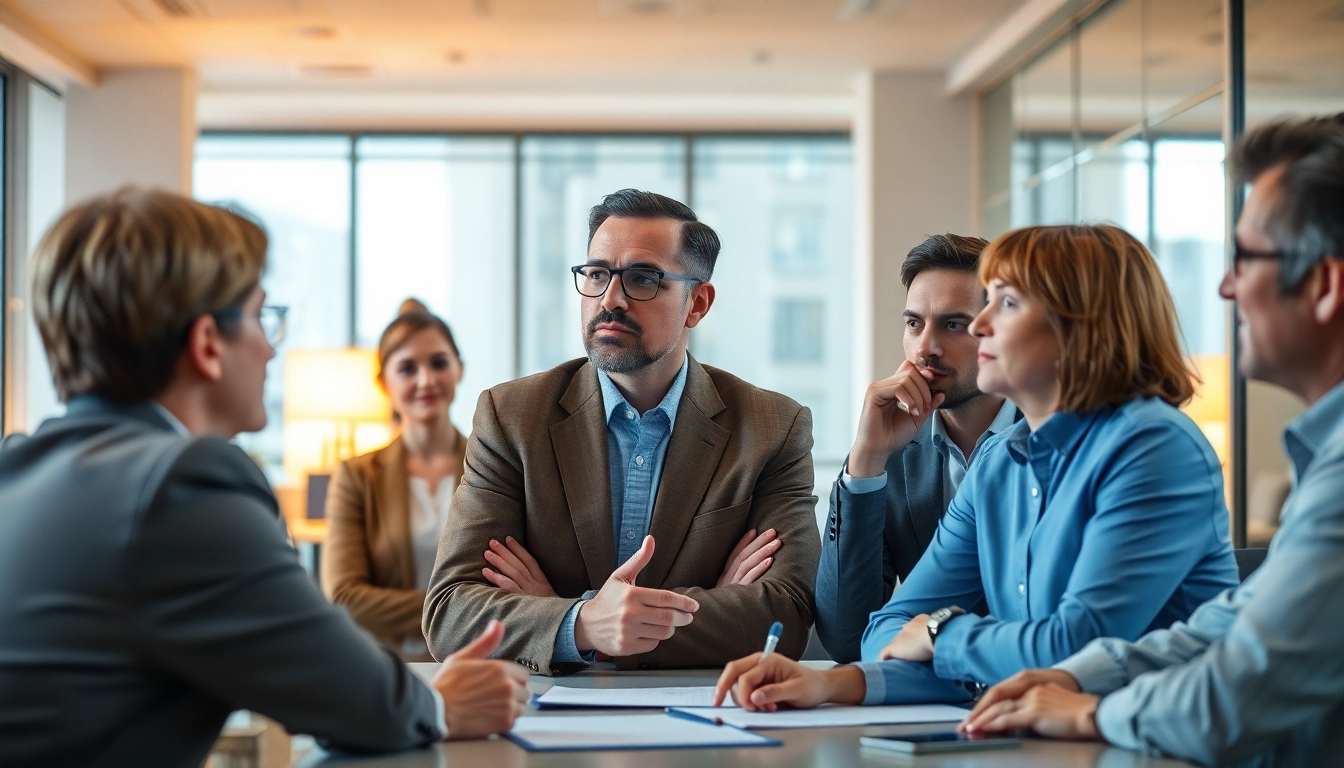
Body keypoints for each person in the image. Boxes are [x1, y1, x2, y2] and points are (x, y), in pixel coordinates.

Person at [0, 189, 528, 766]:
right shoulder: (181, 486)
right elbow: (346, 691)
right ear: (207, 345)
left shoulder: (17, 469)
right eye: (260, 317)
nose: (271, 351)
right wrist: (441, 705)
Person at [712, 223, 1239, 711]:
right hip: (1034, 733)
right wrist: (833, 683)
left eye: (1005, 304)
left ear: (1081, 328)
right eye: (915, 322)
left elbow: (1072, 648)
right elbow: (882, 632)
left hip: (1158, 738)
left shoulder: (1154, 446)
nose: (982, 325)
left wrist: (942, 634)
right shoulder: (1001, 461)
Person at [960, 114, 1344, 768]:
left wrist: (1090, 706)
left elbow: (1232, 696)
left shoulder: (1155, 445)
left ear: (1324, 284)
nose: (1226, 286)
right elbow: (1231, 623)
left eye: (1245, 259)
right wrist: (1082, 677)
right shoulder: (1002, 455)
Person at [423, 188, 820, 674]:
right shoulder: (511, 417)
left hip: (703, 728)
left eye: (642, 279)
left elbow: (789, 615)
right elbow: (449, 612)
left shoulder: (773, 428)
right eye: (596, 274)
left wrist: (572, 619)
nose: (610, 299)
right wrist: (585, 622)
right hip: (545, 728)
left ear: (697, 303)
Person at [816, 233, 1020, 663]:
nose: (925, 347)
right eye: (914, 324)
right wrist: (866, 461)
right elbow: (847, 638)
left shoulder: (1048, 439)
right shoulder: (893, 453)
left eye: (953, 324)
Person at [323, 299, 467, 660]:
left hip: (479, 665)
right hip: (384, 671)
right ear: (383, 382)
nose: (426, 380)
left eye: (438, 363)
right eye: (407, 368)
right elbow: (344, 598)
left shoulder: (499, 466)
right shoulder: (356, 477)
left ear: (459, 369)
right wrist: (460, 610)